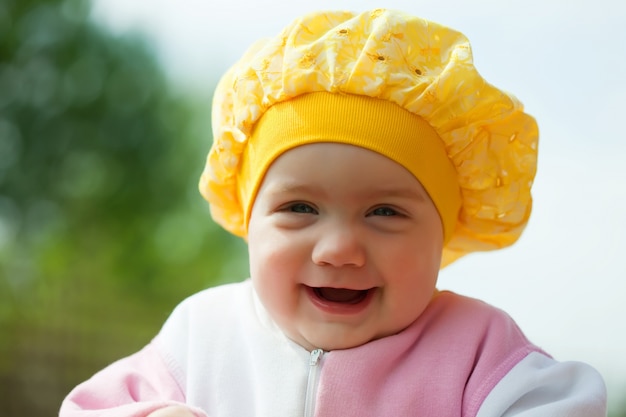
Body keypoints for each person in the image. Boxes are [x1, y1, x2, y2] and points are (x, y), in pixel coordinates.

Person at [60, 8, 607, 417]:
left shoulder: (477, 350)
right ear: (247, 221)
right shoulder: (201, 337)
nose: (339, 248)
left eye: (385, 212)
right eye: (299, 207)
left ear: (444, 232)